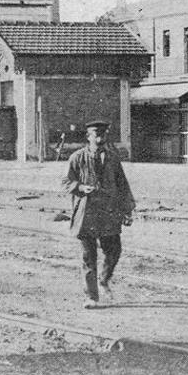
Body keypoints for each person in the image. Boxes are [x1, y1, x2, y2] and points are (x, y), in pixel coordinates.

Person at [62, 120, 135, 309]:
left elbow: (122, 184)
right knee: (89, 257)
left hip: (108, 212)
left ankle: (104, 279)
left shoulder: (112, 158)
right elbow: (66, 182)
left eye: (103, 134)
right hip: (86, 214)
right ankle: (92, 297)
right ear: (88, 137)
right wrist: (79, 186)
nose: (100, 138)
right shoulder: (77, 158)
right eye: (96, 134)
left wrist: (127, 209)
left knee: (114, 251)